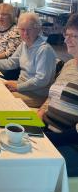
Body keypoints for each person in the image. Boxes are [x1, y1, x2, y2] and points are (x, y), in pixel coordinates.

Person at [0, 12, 57, 108]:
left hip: (37, 94)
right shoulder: (24, 44)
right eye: (22, 29)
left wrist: (18, 87)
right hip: (22, 87)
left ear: (38, 29)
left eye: (29, 30)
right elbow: (10, 63)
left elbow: (41, 80)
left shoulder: (44, 50)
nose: (25, 33)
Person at [38, 13, 78, 176]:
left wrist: (48, 140)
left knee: (34, 164)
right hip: (49, 129)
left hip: (70, 144)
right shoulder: (69, 64)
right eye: (66, 35)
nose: (66, 40)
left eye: (74, 36)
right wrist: (40, 112)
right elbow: (53, 95)